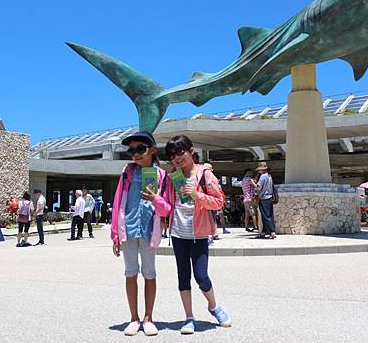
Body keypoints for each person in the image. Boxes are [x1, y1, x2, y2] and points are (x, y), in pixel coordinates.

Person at [164, 134, 231, 334]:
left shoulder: (205, 175)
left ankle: (214, 307)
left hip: (199, 234)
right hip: (178, 234)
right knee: (183, 277)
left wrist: (197, 195)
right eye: (172, 155)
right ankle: (189, 317)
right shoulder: (172, 177)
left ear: (191, 151)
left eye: (180, 152)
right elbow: (168, 204)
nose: (177, 157)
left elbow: (219, 202)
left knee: (201, 276)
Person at [111, 130, 170, 336]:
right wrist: (115, 235)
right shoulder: (127, 173)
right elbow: (118, 202)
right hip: (128, 228)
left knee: (150, 274)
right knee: (130, 273)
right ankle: (134, 318)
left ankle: (148, 318)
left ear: (152, 150)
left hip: (148, 230)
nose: (135, 154)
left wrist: (156, 198)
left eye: (140, 149)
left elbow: (166, 210)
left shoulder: (162, 176)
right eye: (131, 150)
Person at [255, 162, 277, 239]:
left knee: (266, 216)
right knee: (268, 215)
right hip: (270, 197)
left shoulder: (262, 177)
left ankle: (272, 231)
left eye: (259, 170)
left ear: (262, 169)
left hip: (264, 198)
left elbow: (259, 187)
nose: (258, 171)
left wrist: (254, 185)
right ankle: (264, 232)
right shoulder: (269, 176)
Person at [241, 168, 260, 233]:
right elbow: (256, 185)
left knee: (247, 214)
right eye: (250, 173)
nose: (251, 174)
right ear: (247, 173)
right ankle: (256, 226)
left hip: (245, 199)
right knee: (254, 213)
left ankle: (246, 227)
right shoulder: (249, 179)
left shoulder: (243, 180)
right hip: (250, 199)